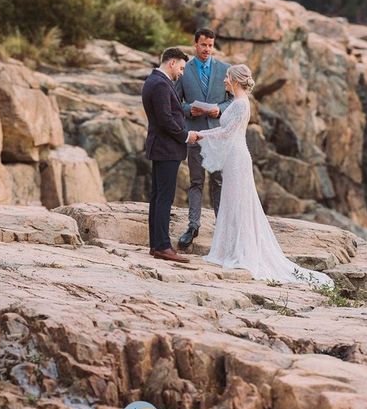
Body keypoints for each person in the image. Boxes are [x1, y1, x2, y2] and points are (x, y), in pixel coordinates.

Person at [196, 65, 335, 288]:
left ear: (235, 80)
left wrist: (199, 135)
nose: (224, 80)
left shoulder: (241, 104)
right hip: (234, 157)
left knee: (240, 203)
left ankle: (242, 252)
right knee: (233, 202)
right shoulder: (237, 103)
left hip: (238, 158)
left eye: (227, 77)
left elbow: (227, 133)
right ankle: (232, 249)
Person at [175, 28, 232, 250]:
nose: (207, 49)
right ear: (195, 45)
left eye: (210, 45)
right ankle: (193, 226)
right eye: (203, 45)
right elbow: (175, 102)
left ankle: (223, 226)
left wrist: (220, 109)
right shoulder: (185, 70)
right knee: (196, 182)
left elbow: (233, 101)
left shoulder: (225, 69)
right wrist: (190, 110)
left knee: (218, 182)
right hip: (196, 134)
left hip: (218, 135)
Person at [142, 47, 199, 264]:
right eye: (182, 67)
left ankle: (156, 244)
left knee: (158, 197)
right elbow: (166, 119)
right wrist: (186, 136)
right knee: (163, 197)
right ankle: (163, 246)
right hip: (166, 148)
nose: (182, 72)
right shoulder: (159, 83)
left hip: (161, 147)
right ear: (172, 63)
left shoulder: (154, 81)